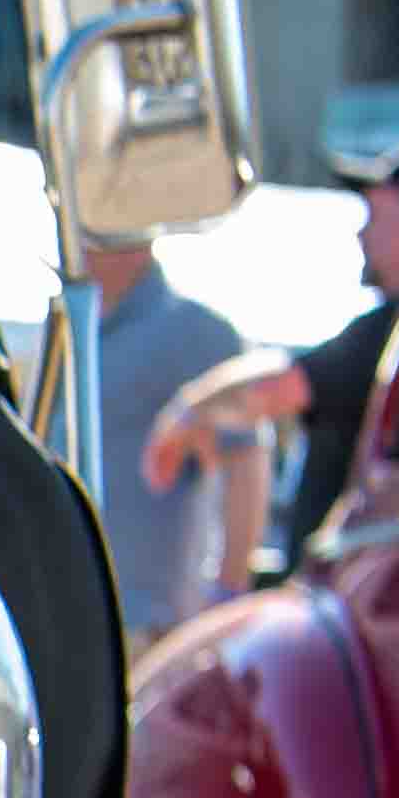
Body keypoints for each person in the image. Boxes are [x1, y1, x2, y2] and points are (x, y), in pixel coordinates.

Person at [141, 135, 399, 568]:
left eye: (376, 213)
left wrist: (184, 414)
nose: (361, 233)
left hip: (360, 598)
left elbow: (275, 386)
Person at [66, 238, 244, 639]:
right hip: (71, 615)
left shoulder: (196, 331)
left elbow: (247, 462)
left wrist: (229, 595)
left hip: (150, 624)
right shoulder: (72, 329)